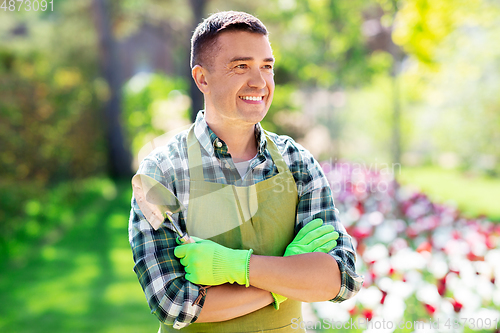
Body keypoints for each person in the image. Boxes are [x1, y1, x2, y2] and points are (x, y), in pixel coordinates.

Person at [129, 10, 363, 332]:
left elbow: (342, 278)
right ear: (202, 79)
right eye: (241, 66)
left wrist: (238, 267)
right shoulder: (162, 173)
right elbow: (175, 303)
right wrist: (287, 277)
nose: (260, 81)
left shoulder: (298, 164)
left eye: (267, 67)